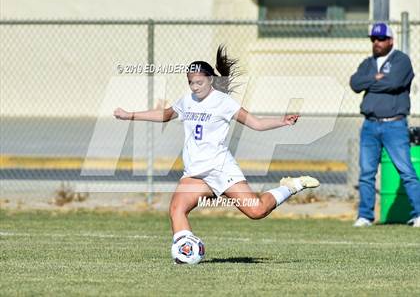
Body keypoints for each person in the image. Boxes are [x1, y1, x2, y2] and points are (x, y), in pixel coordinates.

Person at [114, 45, 320, 257]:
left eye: (199, 82)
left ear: (211, 80)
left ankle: (291, 186)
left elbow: (256, 123)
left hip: (220, 169)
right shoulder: (187, 101)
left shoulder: (223, 102)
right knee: (177, 210)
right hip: (196, 173)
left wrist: (282, 121)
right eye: (191, 82)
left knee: (256, 210)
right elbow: (165, 115)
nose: (194, 87)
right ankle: (186, 255)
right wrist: (130, 115)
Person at [350, 23, 420, 227]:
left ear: (390, 40)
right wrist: (375, 78)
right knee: (366, 173)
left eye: (381, 39)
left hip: (394, 125)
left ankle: (418, 214)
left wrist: (369, 82)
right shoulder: (368, 63)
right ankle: (365, 216)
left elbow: (394, 83)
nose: (376, 43)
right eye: (373, 39)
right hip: (370, 125)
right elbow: (355, 83)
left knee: (406, 171)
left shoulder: (401, 60)